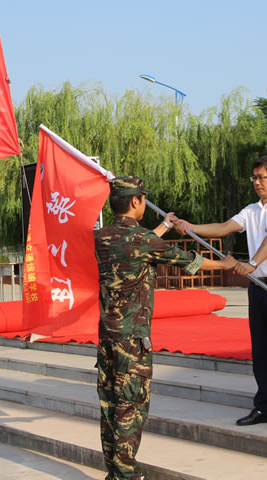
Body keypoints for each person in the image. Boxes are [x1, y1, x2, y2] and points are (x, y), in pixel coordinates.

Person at [94, 176, 236, 480]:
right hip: (132, 339)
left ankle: (114, 472)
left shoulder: (103, 237)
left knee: (110, 407)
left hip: (107, 335)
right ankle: (126, 475)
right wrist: (225, 265)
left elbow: (140, 245)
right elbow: (188, 261)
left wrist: (164, 226)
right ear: (135, 201)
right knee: (130, 409)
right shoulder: (145, 241)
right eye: (143, 199)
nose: (144, 203)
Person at [173, 154, 267, 431]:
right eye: (254, 177)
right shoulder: (251, 210)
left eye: (262, 177)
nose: (257, 182)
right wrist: (190, 227)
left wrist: (252, 263)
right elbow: (224, 227)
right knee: (262, 351)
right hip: (258, 289)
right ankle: (264, 407)